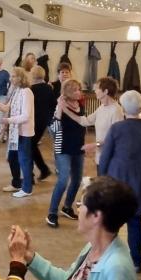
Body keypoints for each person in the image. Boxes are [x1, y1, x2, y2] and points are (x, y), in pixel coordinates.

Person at [98, 90, 141, 272]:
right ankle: (136, 261)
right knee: (135, 221)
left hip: (119, 182)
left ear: (123, 107)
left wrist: (101, 179)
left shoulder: (117, 129)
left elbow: (105, 157)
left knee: (112, 220)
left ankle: (107, 258)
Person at [46, 79, 87, 228]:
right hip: (63, 148)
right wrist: (60, 109)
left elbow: (83, 124)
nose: (79, 92)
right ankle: (52, 212)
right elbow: (54, 128)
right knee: (63, 180)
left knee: (77, 180)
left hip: (78, 148)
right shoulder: (60, 105)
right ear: (68, 92)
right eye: (76, 90)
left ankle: (67, 207)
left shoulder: (80, 104)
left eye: (79, 89)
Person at [0, 67, 35, 199]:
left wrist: (8, 120)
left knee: (24, 160)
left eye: (13, 76)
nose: (11, 78)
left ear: (20, 78)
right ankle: (16, 184)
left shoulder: (27, 92)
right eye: (11, 76)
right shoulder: (16, 91)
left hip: (24, 132)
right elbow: (6, 108)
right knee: (12, 158)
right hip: (15, 131)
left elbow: (26, 116)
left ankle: (27, 188)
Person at [62, 76, 124, 168]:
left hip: (111, 159)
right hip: (100, 157)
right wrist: (66, 110)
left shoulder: (116, 110)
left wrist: (95, 145)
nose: (95, 90)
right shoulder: (101, 107)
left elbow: (116, 138)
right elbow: (85, 121)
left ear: (105, 91)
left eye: (98, 88)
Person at [29, 66, 55, 180]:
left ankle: (42, 170)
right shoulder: (48, 88)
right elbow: (53, 104)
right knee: (32, 145)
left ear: (32, 75)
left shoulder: (31, 89)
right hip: (43, 121)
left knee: (30, 146)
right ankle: (43, 170)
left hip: (33, 122)